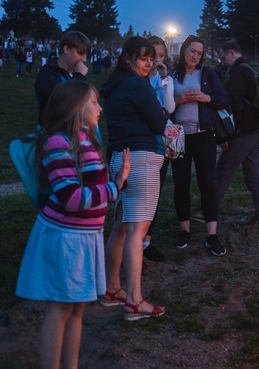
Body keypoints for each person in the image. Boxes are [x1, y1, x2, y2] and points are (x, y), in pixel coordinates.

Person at [15, 80, 130, 367]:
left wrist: (115, 182)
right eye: (93, 102)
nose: (99, 107)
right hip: (65, 238)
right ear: (75, 106)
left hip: (86, 236)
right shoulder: (58, 143)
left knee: (77, 309)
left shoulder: (87, 139)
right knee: (59, 310)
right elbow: (71, 198)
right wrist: (116, 187)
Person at [99, 36, 168, 318]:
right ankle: (135, 300)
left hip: (121, 159)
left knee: (121, 227)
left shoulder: (114, 87)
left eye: (151, 59)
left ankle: (113, 288)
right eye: (143, 58)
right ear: (127, 58)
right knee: (137, 232)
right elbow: (159, 123)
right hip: (141, 159)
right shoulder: (138, 86)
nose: (149, 63)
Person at [171, 35, 228, 255]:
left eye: (199, 52)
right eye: (192, 50)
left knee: (207, 183)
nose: (195, 55)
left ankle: (212, 234)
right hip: (177, 135)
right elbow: (163, 105)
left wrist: (206, 98)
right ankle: (184, 231)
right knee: (180, 183)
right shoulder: (173, 74)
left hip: (204, 135)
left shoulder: (208, 74)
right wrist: (178, 100)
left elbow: (223, 98)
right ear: (184, 50)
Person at [216, 40, 259, 225]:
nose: (222, 61)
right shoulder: (250, 69)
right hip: (258, 127)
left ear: (231, 53)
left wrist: (228, 133)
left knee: (224, 168)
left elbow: (235, 104)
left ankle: (207, 211)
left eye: (223, 56)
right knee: (252, 171)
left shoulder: (238, 71)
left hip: (245, 129)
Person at [142, 35, 176, 262]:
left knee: (155, 190)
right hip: (141, 139)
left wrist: (165, 80)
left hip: (161, 140)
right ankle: (132, 240)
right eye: (153, 55)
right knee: (138, 191)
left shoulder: (166, 79)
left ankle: (147, 242)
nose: (157, 60)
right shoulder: (138, 79)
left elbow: (170, 108)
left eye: (161, 55)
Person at [34, 31, 92, 127]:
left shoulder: (73, 74)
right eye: (81, 53)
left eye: (86, 55)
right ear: (66, 49)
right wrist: (79, 76)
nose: (84, 59)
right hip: (53, 134)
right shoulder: (47, 73)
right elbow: (61, 103)